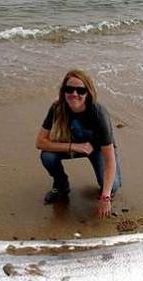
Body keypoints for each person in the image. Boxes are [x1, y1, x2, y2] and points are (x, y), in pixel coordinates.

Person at [35, 69, 122, 218]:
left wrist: (105, 197)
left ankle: (107, 191)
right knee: (47, 156)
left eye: (80, 90)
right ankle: (61, 186)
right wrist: (74, 146)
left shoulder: (98, 113)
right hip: (75, 146)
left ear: (87, 93)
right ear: (63, 91)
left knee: (111, 186)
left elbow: (110, 159)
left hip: (98, 149)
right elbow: (40, 142)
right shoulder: (57, 108)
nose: (74, 94)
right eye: (69, 89)